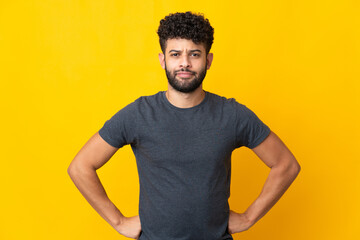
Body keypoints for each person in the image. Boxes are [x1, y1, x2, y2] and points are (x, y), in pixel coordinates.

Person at [68, 11, 300, 240]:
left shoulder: (232, 115)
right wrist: (118, 221)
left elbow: (286, 165)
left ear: (208, 61)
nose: (185, 63)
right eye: (176, 54)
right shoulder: (139, 114)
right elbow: (80, 167)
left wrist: (249, 218)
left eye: (195, 54)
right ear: (163, 60)